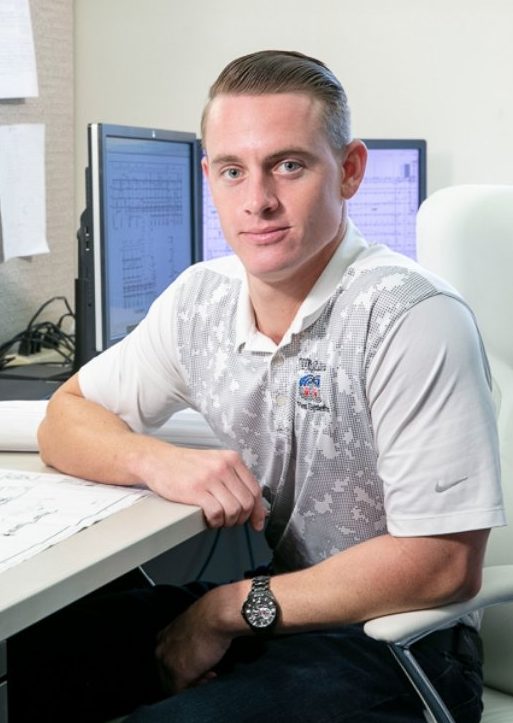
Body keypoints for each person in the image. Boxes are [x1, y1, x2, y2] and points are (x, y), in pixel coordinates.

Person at [11, 50, 505, 722]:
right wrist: (157, 460)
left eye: (289, 164)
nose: (257, 201)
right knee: (37, 651)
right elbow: (64, 416)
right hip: (284, 611)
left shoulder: (409, 317)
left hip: (406, 642)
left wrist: (224, 610)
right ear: (207, 175)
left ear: (350, 169)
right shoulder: (200, 300)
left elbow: (443, 565)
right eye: (232, 170)